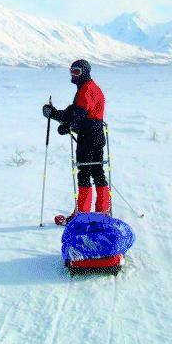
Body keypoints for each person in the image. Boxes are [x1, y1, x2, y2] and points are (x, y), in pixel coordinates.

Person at [42, 59, 110, 222]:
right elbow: (76, 111)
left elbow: (78, 114)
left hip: (88, 136)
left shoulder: (87, 90)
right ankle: (102, 211)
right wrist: (59, 116)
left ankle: (82, 215)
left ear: (85, 72)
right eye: (71, 71)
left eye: (77, 72)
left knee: (84, 173)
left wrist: (58, 117)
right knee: (97, 171)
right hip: (96, 134)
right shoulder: (89, 88)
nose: (73, 75)